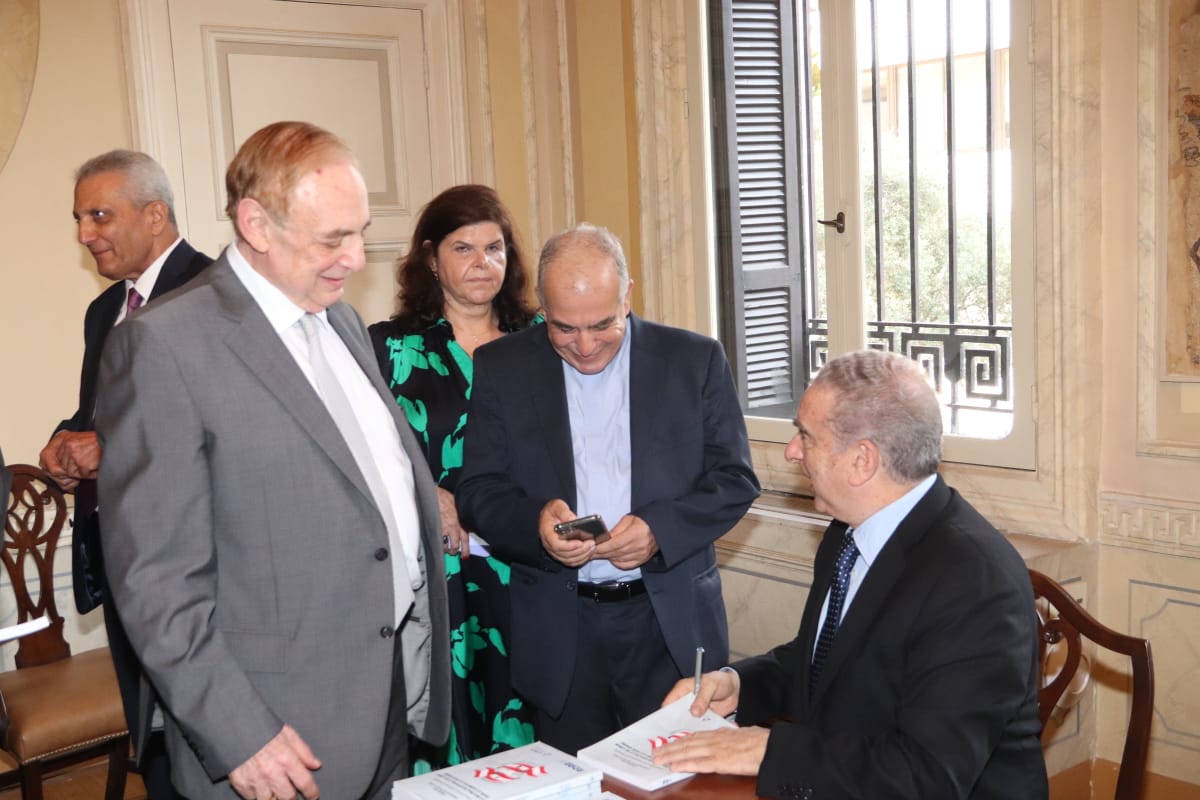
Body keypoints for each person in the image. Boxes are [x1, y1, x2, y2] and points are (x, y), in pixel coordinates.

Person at [95, 121, 450, 800]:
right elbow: (155, 581)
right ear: (256, 224)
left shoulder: (339, 318)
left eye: (360, 233)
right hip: (272, 734)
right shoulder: (164, 345)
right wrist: (240, 733)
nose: (355, 259)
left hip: (381, 701)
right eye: (332, 239)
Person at [652, 349, 1048, 799]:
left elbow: (926, 776)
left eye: (806, 436)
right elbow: (827, 661)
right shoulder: (849, 530)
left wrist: (770, 751)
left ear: (863, 460)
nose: (791, 452)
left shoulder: (975, 582)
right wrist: (741, 685)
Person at [455, 223, 760, 754]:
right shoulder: (503, 366)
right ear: (542, 306)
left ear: (627, 297)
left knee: (678, 778)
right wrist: (535, 525)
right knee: (574, 779)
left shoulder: (693, 360)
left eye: (602, 325)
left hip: (667, 622)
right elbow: (478, 490)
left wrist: (659, 530)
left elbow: (735, 479)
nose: (585, 345)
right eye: (564, 328)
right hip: (561, 626)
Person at [38, 149, 212, 800]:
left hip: (197, 570)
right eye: (79, 219)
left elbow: (224, 429)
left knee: (207, 748)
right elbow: (100, 413)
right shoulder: (105, 309)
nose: (86, 234)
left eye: (100, 216)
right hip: (121, 562)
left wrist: (110, 450)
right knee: (156, 752)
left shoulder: (215, 294)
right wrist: (64, 444)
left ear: (155, 214)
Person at [368, 185, 538, 769]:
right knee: (448, 721)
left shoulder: (542, 339)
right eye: (463, 248)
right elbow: (365, 453)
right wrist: (430, 494)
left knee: (528, 721)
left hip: (525, 562)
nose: (481, 263)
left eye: (495, 248)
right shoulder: (388, 347)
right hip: (437, 566)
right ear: (431, 259)